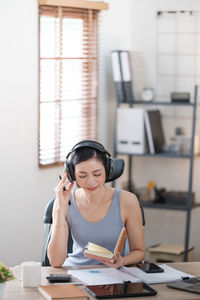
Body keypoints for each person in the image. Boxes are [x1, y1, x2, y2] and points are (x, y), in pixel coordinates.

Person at [47, 140, 145, 268]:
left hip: (114, 275)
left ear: (108, 170)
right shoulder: (64, 203)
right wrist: (61, 207)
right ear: (72, 174)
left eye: (97, 174)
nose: (91, 182)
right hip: (76, 273)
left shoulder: (127, 201)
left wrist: (123, 261)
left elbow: (139, 252)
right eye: (82, 175)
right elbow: (55, 261)